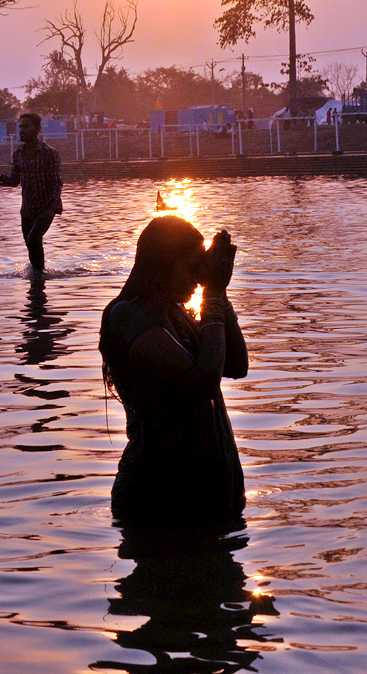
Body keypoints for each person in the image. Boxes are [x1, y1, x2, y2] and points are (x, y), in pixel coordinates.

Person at [99, 216, 248, 525]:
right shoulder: (128, 317)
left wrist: (219, 291)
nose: (199, 278)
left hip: (207, 498)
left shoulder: (177, 312)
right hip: (157, 498)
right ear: (163, 264)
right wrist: (214, 295)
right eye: (193, 267)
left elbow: (236, 365)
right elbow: (203, 383)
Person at [0, 113, 63, 275]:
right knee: (31, 245)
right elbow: (15, 181)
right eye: (20, 127)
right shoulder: (18, 154)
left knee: (33, 239)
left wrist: (51, 207)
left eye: (26, 127)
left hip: (46, 207)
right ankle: (39, 277)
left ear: (37, 129)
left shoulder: (49, 153)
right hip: (27, 210)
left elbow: (57, 182)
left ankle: (39, 278)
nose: (21, 130)